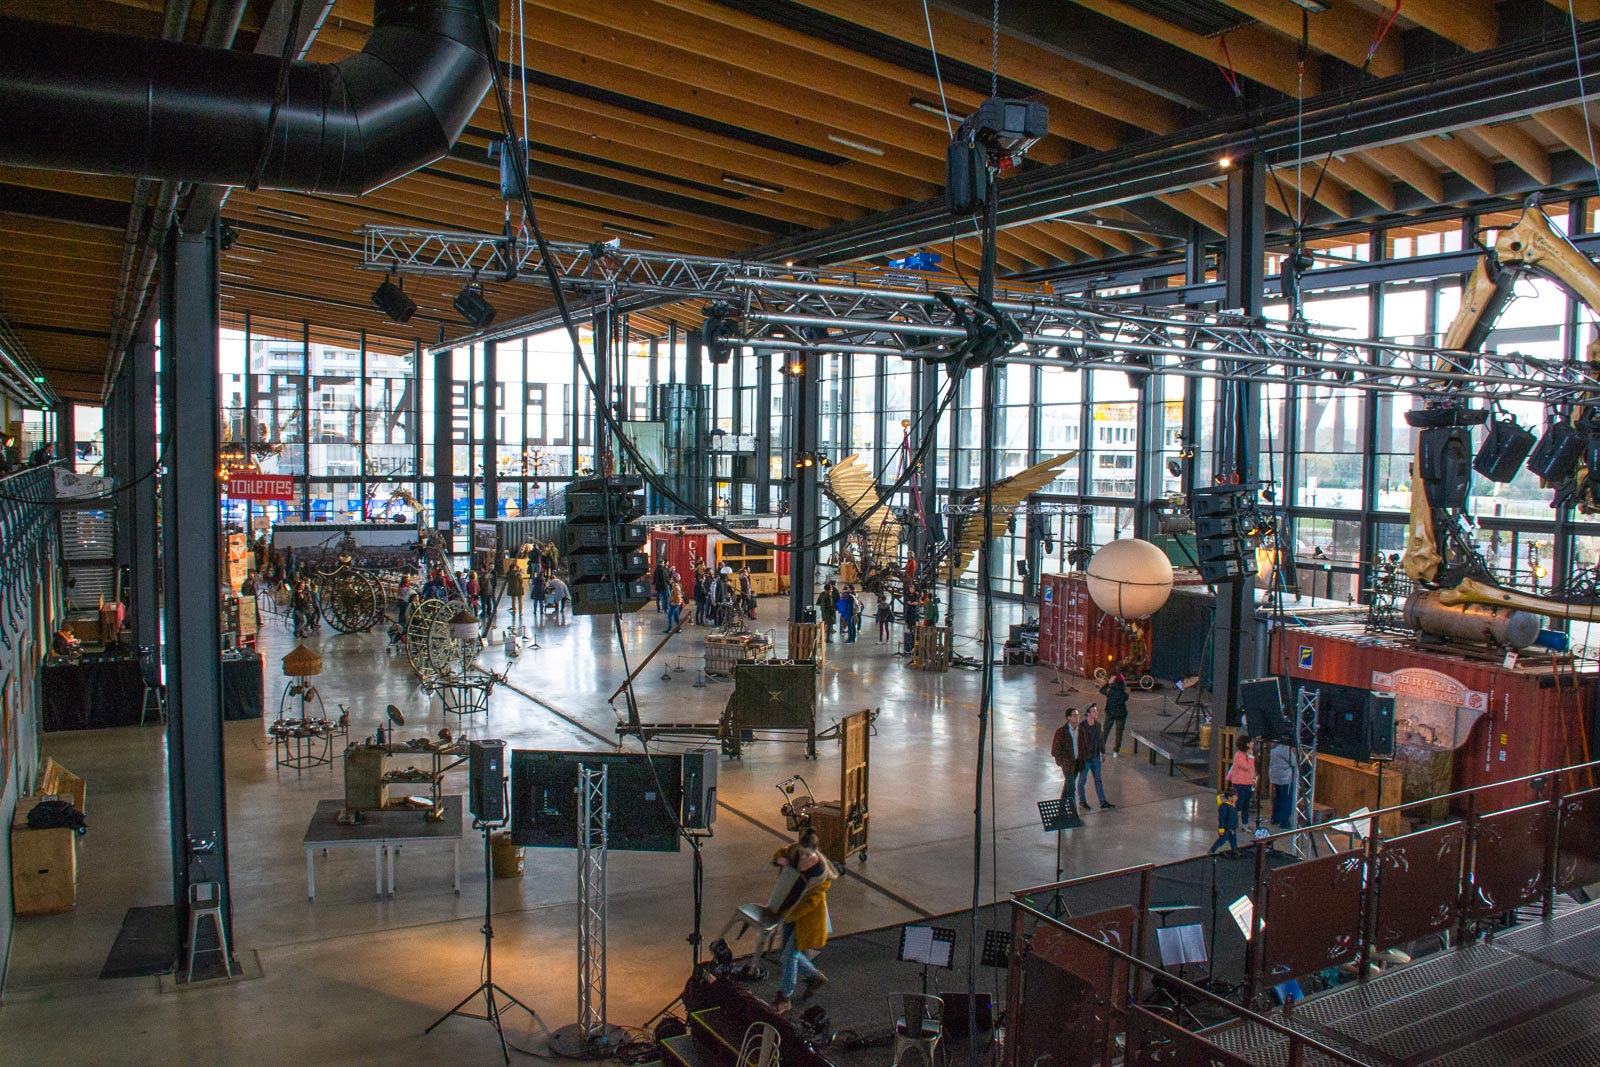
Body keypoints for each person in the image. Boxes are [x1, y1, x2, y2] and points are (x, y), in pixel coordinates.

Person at [766, 829, 837, 1014]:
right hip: (789, 913)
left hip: (806, 921)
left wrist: (789, 915)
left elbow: (809, 904)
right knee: (786, 953)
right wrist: (779, 860)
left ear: (815, 853)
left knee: (789, 955)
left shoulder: (820, 874)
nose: (804, 859)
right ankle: (814, 976)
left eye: (808, 855)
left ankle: (784, 997)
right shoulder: (794, 852)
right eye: (802, 854)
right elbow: (782, 853)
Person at [1077, 704, 1115, 811]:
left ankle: (1102, 802)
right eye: (1093, 711)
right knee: (1082, 780)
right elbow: (1079, 744)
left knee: (1098, 780)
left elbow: (1101, 739)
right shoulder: (1082, 727)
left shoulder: (1098, 725)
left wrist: (1102, 752)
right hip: (1085, 759)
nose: (1096, 713)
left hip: (1095, 757)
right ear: (1088, 714)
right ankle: (1082, 801)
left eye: (1096, 711)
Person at [1050, 707, 1086, 804]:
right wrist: (1062, 761)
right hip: (1067, 763)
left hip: (1077, 763)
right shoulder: (1061, 732)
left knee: (1068, 786)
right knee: (1071, 787)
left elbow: (1084, 746)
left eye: (1078, 715)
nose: (1077, 717)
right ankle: (1073, 812)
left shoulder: (1081, 731)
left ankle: (1061, 810)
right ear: (1068, 718)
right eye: (1074, 715)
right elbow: (1055, 750)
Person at [1226, 732, 1257, 826]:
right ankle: (1231, 823)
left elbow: (1252, 769)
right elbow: (1246, 767)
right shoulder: (1238, 755)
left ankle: (1245, 824)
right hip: (1239, 783)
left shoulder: (1248, 755)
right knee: (1238, 805)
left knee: (1246, 806)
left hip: (1248, 783)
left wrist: (1254, 779)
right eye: (1250, 742)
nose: (1252, 744)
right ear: (1246, 744)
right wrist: (1251, 757)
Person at [1099, 666, 1130, 757]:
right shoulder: (1123, 694)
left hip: (1110, 713)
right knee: (1119, 733)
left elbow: (1101, 690)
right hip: (1121, 714)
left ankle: (1101, 748)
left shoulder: (1109, 691)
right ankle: (1116, 751)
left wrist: (1108, 683)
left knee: (1106, 731)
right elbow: (1126, 697)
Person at [1268, 741, 1295, 829]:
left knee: (1277, 798)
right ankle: (1284, 822)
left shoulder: (1273, 748)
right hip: (1285, 777)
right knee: (1286, 799)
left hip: (1275, 776)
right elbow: (1294, 762)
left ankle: (1275, 818)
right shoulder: (1285, 748)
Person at [1208, 790, 1241, 858]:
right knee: (1222, 840)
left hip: (1233, 826)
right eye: (1235, 796)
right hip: (1227, 827)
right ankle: (1212, 850)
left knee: (1233, 840)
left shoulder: (1233, 805)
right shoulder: (1224, 807)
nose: (1236, 798)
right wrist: (1221, 829)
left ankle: (1235, 850)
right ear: (1229, 798)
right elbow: (1221, 819)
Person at [503, 560, 525, 630]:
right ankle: (520, 612)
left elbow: (507, 579)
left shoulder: (509, 574)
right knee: (520, 601)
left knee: (513, 601)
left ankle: (514, 611)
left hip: (512, 589)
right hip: (518, 589)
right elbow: (521, 581)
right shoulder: (517, 574)